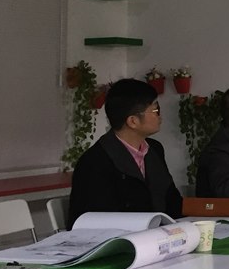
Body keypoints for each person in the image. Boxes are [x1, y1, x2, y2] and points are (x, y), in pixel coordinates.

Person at [68, 78, 183, 229]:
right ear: (133, 121)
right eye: (156, 110)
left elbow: (172, 201)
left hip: (158, 235)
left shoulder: (154, 149)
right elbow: (95, 222)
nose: (160, 116)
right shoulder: (95, 162)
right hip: (121, 239)